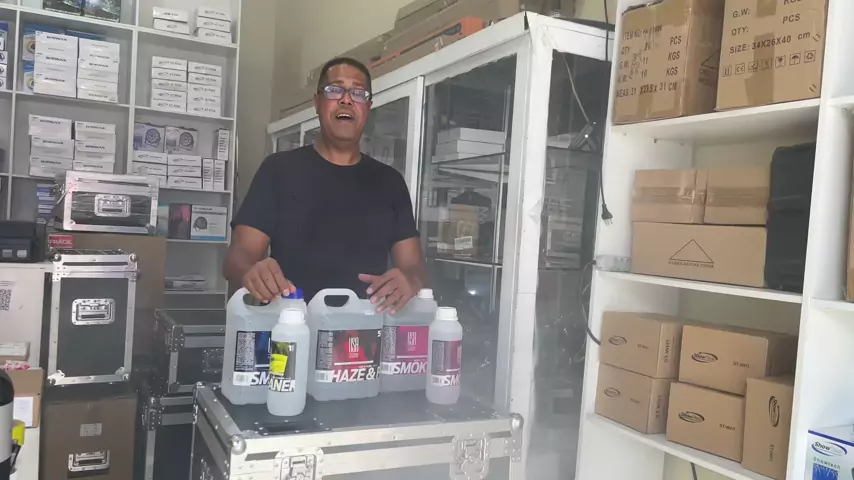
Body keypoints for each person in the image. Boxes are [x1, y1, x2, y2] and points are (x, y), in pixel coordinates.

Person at [224, 57, 428, 314]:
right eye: (335, 90)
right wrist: (251, 271)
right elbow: (237, 258)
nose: (347, 100)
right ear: (317, 102)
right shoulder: (279, 170)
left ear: (369, 108)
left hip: (363, 331)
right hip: (290, 328)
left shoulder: (390, 182)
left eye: (358, 93)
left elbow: (414, 267)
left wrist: (411, 280)